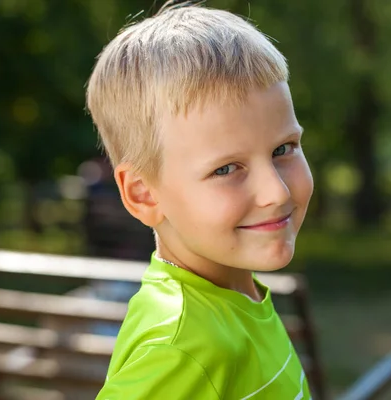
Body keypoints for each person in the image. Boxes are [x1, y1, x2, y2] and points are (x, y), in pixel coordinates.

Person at [86, 1, 314, 398]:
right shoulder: (181, 349)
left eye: (284, 149)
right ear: (143, 194)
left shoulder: (233, 294)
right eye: (226, 169)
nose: (276, 192)